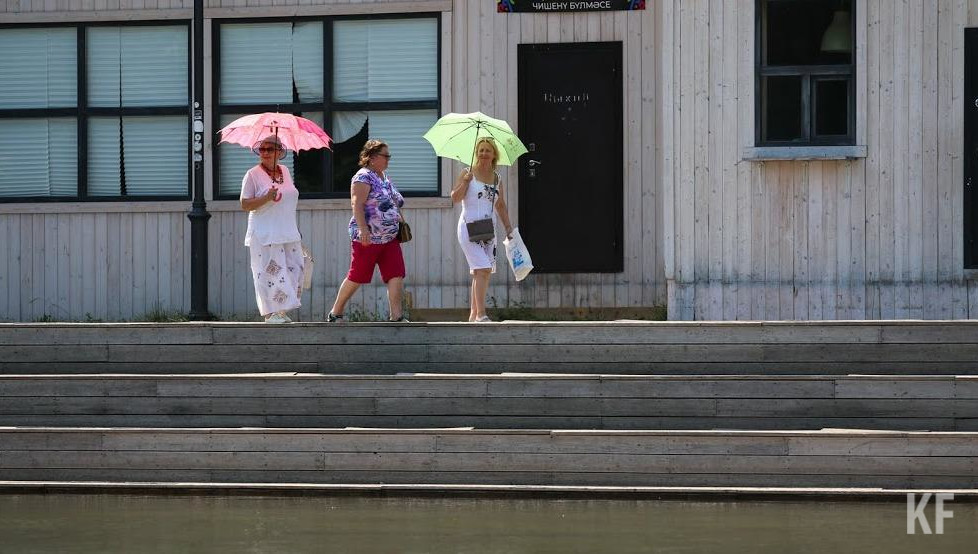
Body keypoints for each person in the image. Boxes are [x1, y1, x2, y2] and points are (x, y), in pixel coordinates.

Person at [326, 139, 408, 322]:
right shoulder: (363, 177)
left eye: (389, 156)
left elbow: (394, 201)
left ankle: (397, 317)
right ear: (372, 157)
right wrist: (363, 229)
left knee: (396, 274)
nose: (389, 159)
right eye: (385, 156)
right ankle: (335, 313)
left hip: (390, 238)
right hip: (368, 237)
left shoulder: (384, 177)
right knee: (357, 276)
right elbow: (357, 203)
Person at [239, 135, 304, 323]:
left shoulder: (285, 170)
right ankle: (271, 313)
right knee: (270, 272)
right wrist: (266, 197)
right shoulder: (252, 174)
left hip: (288, 229)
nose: (265, 153)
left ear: (279, 152)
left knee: (296, 269)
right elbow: (244, 204)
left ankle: (281, 311)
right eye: (262, 149)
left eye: (269, 149)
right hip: (265, 232)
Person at [451, 137, 514, 322]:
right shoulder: (467, 172)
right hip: (468, 227)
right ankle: (481, 314)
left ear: (494, 154)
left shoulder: (497, 178)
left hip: (488, 230)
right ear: (476, 153)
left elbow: (500, 205)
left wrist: (508, 228)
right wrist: (465, 182)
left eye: (488, 150)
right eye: (481, 150)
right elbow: (455, 198)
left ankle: (472, 315)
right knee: (483, 268)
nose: (484, 153)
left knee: (481, 272)